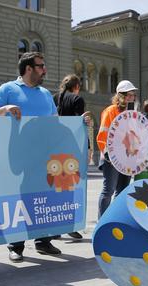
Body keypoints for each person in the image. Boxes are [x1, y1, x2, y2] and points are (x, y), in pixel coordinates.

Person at [0, 51, 62, 262]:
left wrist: (80, 125)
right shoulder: (8, 89)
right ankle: (16, 246)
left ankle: (43, 241)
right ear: (28, 68)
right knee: (18, 199)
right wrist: (5, 108)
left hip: (44, 157)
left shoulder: (46, 93)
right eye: (40, 66)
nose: (44, 70)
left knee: (43, 198)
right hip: (16, 155)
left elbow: (55, 122)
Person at [55, 73, 91, 240]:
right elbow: (80, 125)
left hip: (54, 148)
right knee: (70, 189)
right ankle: (69, 225)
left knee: (56, 188)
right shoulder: (77, 100)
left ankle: (54, 229)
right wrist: (88, 147)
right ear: (77, 87)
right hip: (71, 149)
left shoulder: (55, 98)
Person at [96, 80, 138, 217]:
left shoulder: (132, 113)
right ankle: (102, 221)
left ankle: (114, 219)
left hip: (126, 157)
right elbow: (103, 134)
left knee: (122, 191)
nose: (132, 98)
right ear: (121, 95)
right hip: (111, 158)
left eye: (133, 95)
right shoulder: (110, 111)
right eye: (129, 95)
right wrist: (107, 153)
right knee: (108, 190)